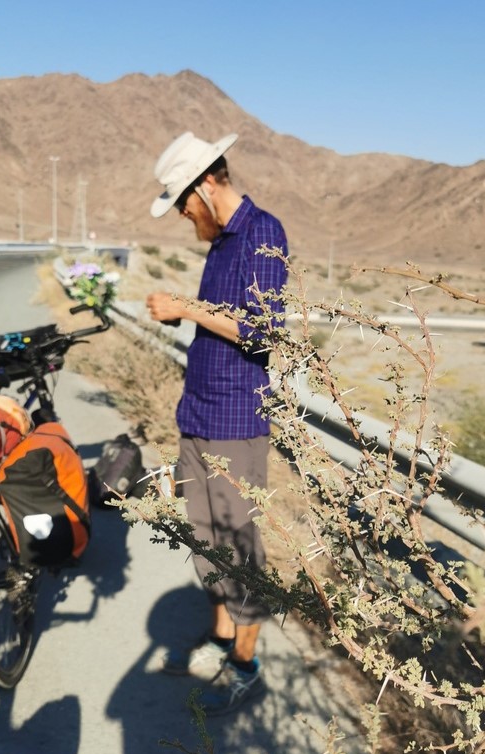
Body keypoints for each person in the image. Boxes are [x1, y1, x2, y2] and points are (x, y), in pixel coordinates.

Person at [146, 131, 288, 715]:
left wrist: (185, 308)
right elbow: (220, 323)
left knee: (238, 543)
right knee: (205, 542)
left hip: (235, 418)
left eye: (183, 200)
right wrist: (186, 316)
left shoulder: (263, 232)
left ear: (206, 184)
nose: (183, 213)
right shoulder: (220, 244)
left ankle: (247, 665)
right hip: (198, 411)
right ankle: (222, 638)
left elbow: (264, 331)